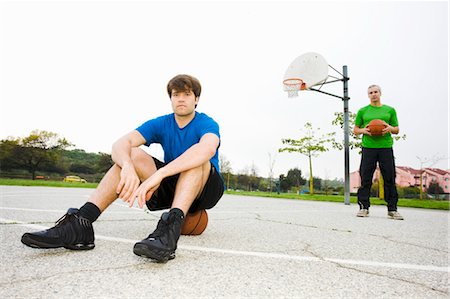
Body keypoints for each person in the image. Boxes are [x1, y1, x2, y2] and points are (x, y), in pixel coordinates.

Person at [21, 74, 225, 262]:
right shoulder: (161, 123)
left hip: (205, 188)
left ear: (196, 99)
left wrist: (160, 173)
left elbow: (206, 149)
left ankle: (169, 231)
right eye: (176, 94)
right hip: (174, 186)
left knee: (197, 160)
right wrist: (127, 166)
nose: (181, 99)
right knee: (132, 153)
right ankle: (81, 223)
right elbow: (121, 143)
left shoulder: (206, 123)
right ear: (170, 99)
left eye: (187, 94)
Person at [353, 84, 404, 220]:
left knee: (389, 177)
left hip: (385, 147)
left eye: (376, 92)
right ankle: (364, 207)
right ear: (368, 95)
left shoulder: (390, 110)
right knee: (365, 178)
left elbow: (397, 129)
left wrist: (389, 128)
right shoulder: (363, 111)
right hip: (368, 147)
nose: (373, 94)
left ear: (380, 93)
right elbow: (356, 130)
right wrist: (364, 130)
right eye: (371, 92)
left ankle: (392, 209)